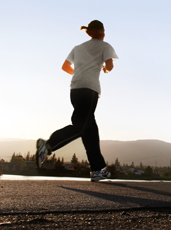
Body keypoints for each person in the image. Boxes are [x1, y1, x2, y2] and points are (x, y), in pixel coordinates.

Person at [35, 20, 118, 182]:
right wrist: (105, 69)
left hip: (75, 89)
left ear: (89, 32)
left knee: (90, 130)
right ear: (102, 32)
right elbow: (110, 66)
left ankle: (97, 170)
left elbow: (65, 67)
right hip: (90, 90)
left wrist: (79, 73)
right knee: (82, 127)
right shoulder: (105, 46)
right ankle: (49, 145)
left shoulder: (78, 48)